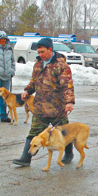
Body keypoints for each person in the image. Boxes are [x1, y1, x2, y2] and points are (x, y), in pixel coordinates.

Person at [13, 37, 75, 167]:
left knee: (64, 132)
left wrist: (69, 102)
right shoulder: (38, 64)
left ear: (50, 49)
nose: (40, 54)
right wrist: (28, 91)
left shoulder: (61, 66)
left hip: (57, 107)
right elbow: (34, 81)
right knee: (34, 132)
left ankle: (69, 154)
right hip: (40, 107)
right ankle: (26, 158)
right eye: (38, 52)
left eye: (42, 52)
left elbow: (67, 85)